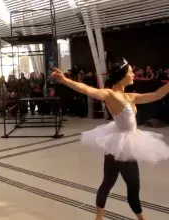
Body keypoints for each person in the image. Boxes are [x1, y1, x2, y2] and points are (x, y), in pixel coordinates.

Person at [52, 59, 169, 220]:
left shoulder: (130, 96)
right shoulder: (110, 94)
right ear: (122, 75)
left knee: (108, 183)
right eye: (130, 72)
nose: (133, 74)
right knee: (131, 187)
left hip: (119, 145)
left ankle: (98, 218)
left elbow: (157, 94)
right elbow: (87, 89)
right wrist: (65, 80)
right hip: (123, 146)